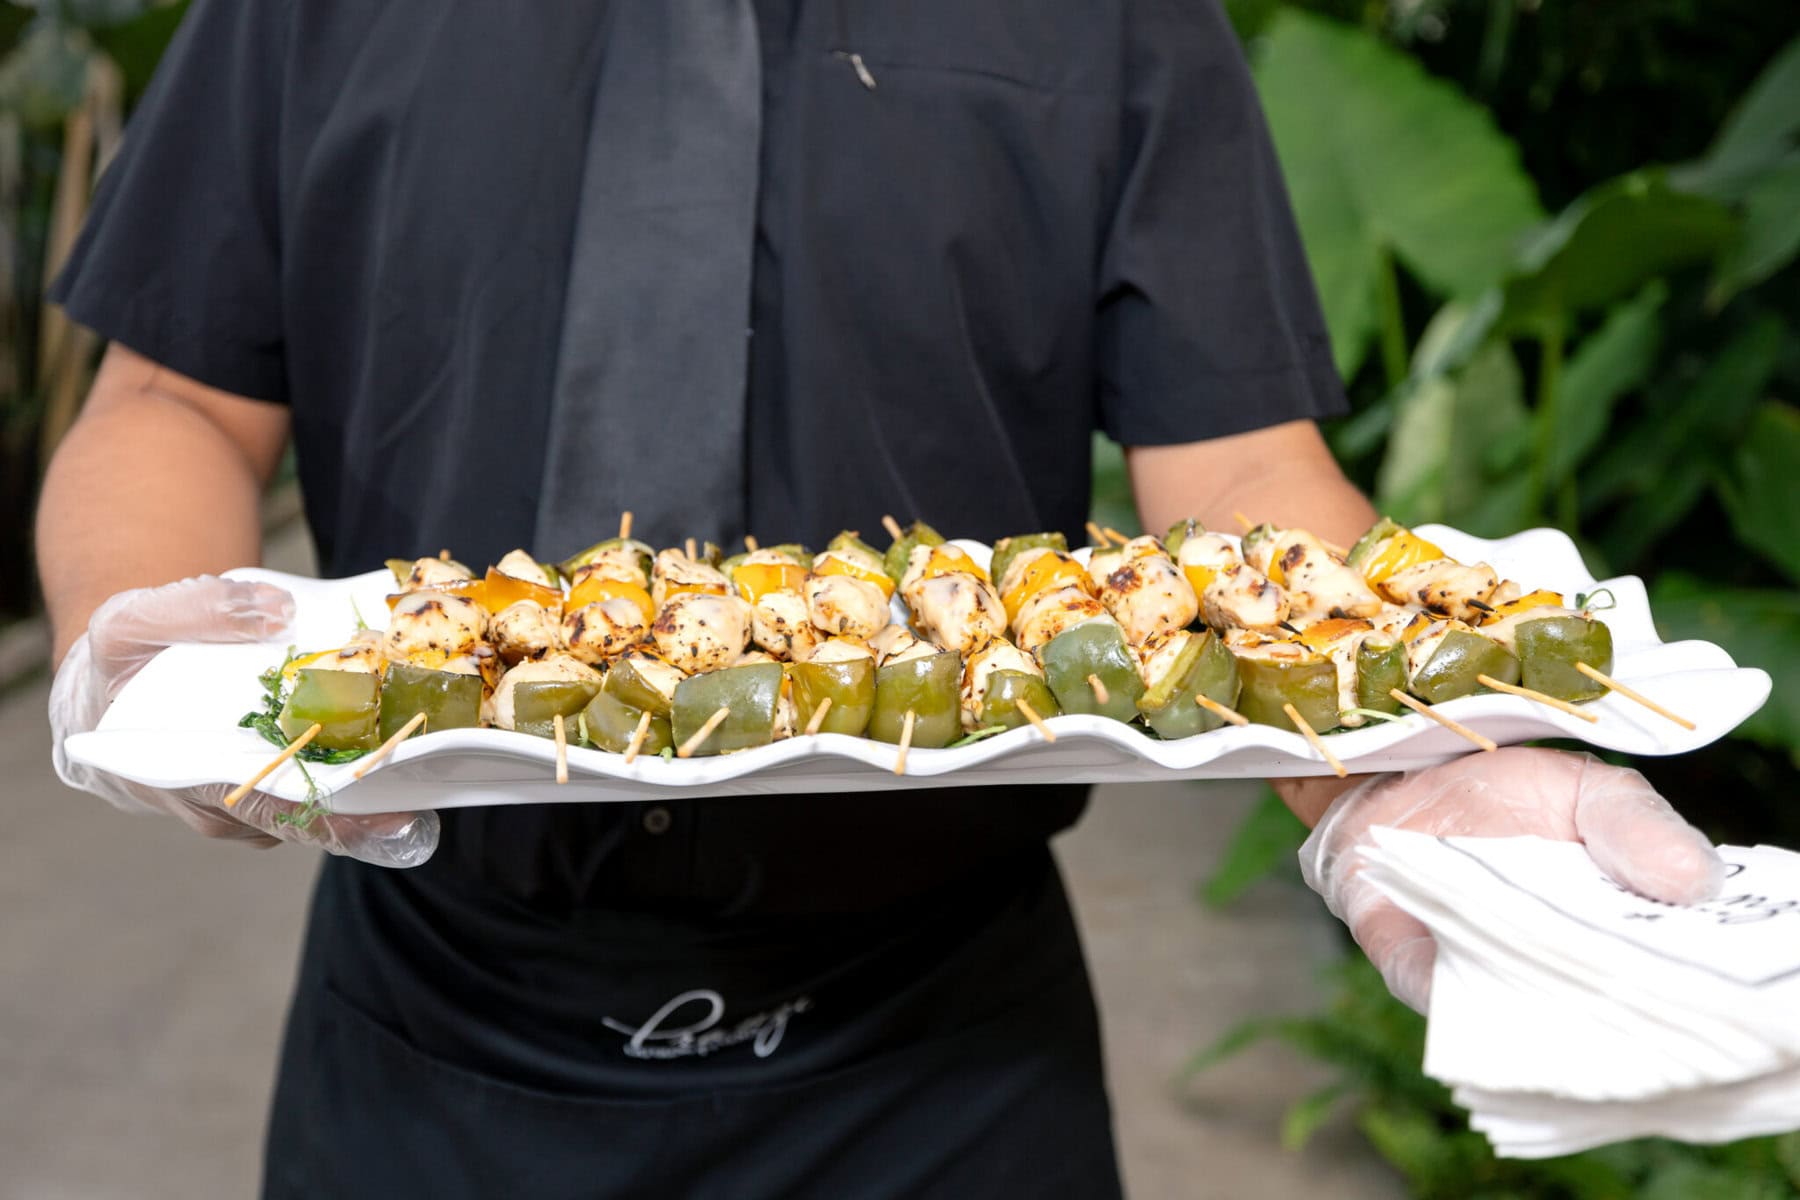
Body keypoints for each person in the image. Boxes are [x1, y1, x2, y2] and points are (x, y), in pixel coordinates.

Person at [38, 2, 1726, 1196]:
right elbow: (172, 395)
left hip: (945, 1068)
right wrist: (160, 647)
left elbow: (1237, 472)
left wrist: (1397, 754)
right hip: (433, 1043)